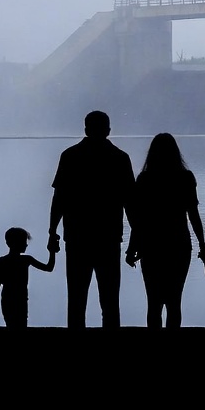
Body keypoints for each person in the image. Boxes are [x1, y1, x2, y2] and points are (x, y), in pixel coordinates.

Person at [49, 110, 135, 327]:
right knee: (110, 300)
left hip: (77, 236)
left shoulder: (70, 156)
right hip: (109, 236)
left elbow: (59, 198)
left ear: (86, 129)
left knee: (76, 299)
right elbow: (130, 203)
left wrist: (52, 231)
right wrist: (136, 239)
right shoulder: (120, 158)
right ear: (108, 130)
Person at [124, 132, 205, 328]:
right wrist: (202, 244)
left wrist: (131, 248)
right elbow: (193, 215)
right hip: (179, 243)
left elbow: (140, 219)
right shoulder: (186, 178)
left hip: (151, 245)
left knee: (153, 303)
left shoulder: (145, 179)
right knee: (174, 301)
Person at [0, 227, 55, 328]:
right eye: (24, 242)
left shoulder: (4, 260)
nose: (26, 244)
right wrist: (52, 252)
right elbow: (48, 267)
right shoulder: (24, 260)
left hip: (13, 298)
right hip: (16, 299)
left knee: (14, 325)